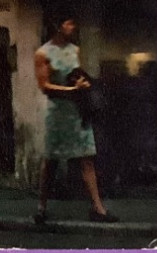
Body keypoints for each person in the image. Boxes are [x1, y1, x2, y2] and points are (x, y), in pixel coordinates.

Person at [34, 16, 116, 224]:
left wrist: (82, 83)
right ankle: (41, 207)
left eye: (73, 23)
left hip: (77, 110)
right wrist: (72, 89)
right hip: (59, 113)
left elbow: (75, 74)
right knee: (51, 161)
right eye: (67, 23)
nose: (72, 27)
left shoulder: (74, 50)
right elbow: (44, 86)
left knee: (86, 158)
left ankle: (98, 208)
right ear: (57, 26)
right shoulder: (43, 53)